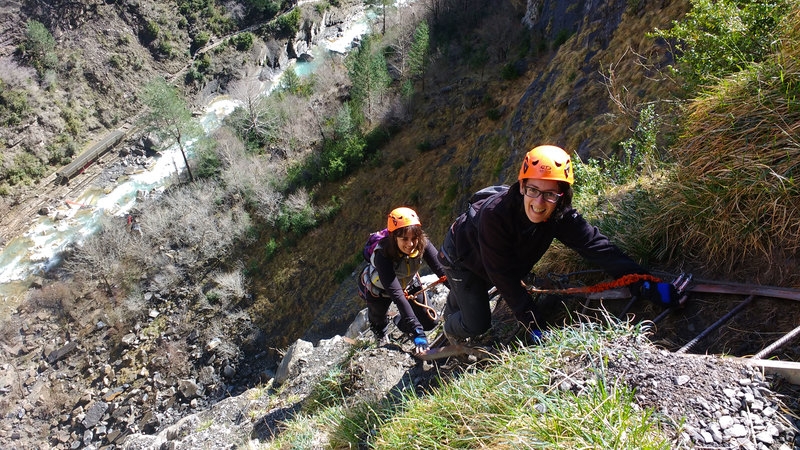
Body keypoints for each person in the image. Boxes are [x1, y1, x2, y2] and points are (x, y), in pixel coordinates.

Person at [437, 144, 678, 344]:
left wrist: (642, 281)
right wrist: (534, 325)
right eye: (533, 190)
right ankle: (449, 326)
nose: (539, 202)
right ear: (522, 186)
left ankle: (458, 301)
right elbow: (503, 277)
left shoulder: (559, 215)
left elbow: (595, 245)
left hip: (492, 256)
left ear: (561, 195)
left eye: (550, 194)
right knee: (477, 323)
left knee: (479, 289)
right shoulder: (495, 216)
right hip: (461, 257)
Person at [358, 207, 448, 353]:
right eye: (404, 239)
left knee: (430, 322)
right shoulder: (383, 253)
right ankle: (380, 332)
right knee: (378, 316)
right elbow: (398, 296)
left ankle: (400, 322)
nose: (410, 244)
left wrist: (462, 292)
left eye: (414, 238)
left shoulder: (422, 243)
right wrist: (417, 331)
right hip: (379, 289)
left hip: (408, 282)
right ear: (394, 238)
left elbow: (442, 271)